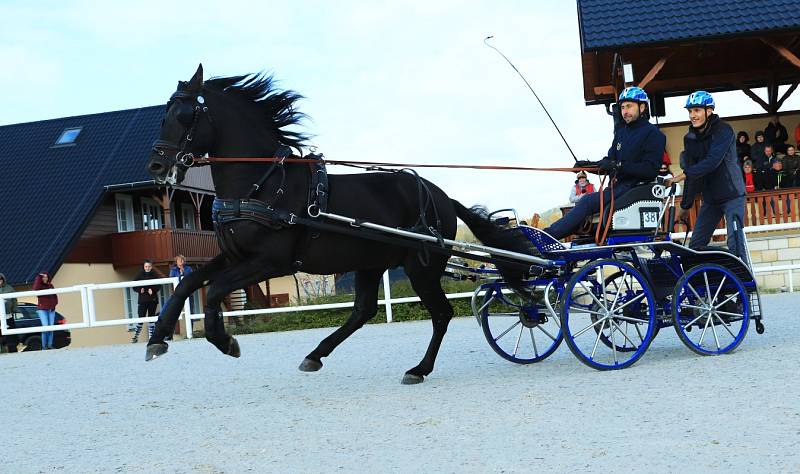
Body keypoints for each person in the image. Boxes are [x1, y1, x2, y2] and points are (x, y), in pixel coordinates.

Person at [544, 86, 665, 240]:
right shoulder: (622, 132)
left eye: (629, 106)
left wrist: (618, 166)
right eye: (622, 107)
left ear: (642, 107)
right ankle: (557, 238)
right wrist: (587, 165)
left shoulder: (653, 134)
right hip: (617, 188)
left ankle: (549, 235)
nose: (625, 111)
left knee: (587, 200)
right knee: (588, 203)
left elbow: (650, 170)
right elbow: (609, 161)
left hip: (634, 188)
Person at [667, 91, 748, 262]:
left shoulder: (724, 130)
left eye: (696, 110)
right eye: (690, 111)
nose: (692, 115)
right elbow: (693, 172)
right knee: (695, 247)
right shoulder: (689, 138)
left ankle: (745, 287)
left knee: (736, 244)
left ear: (709, 110)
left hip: (732, 195)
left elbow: (713, 161)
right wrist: (685, 205)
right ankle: (706, 284)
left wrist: (683, 175)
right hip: (710, 199)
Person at [161, 254, 194, 340]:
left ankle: (190, 333)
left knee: (191, 313)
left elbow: (191, 277)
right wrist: (180, 274)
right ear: (176, 262)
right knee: (173, 313)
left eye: (182, 260)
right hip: (177, 294)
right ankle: (169, 335)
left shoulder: (188, 268)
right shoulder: (173, 270)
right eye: (179, 261)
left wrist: (183, 272)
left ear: (184, 261)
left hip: (188, 293)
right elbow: (172, 279)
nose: (180, 262)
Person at [131, 260, 161, 343]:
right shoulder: (140, 274)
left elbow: (159, 285)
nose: (147, 268)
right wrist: (140, 289)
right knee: (140, 317)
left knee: (151, 318)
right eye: (146, 266)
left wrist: (153, 290)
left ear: (151, 267)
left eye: (149, 266)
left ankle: (151, 337)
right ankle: (136, 336)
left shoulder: (155, 275)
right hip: (142, 300)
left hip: (153, 300)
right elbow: (134, 285)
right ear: (144, 267)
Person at [32, 271, 58, 350]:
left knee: (51, 327)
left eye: (46, 276)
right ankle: (44, 347)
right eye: (43, 277)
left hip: (51, 310)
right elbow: (35, 288)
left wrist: (54, 304)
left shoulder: (51, 285)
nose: (45, 278)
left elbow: (55, 296)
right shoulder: (39, 286)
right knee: (45, 327)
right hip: (42, 309)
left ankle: (50, 345)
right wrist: (38, 277)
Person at [0, 273, 19, 353]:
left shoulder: (9, 288)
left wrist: (15, 309)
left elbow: (14, 299)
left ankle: (13, 350)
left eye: (1, 279)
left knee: (11, 335)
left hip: (8, 315)